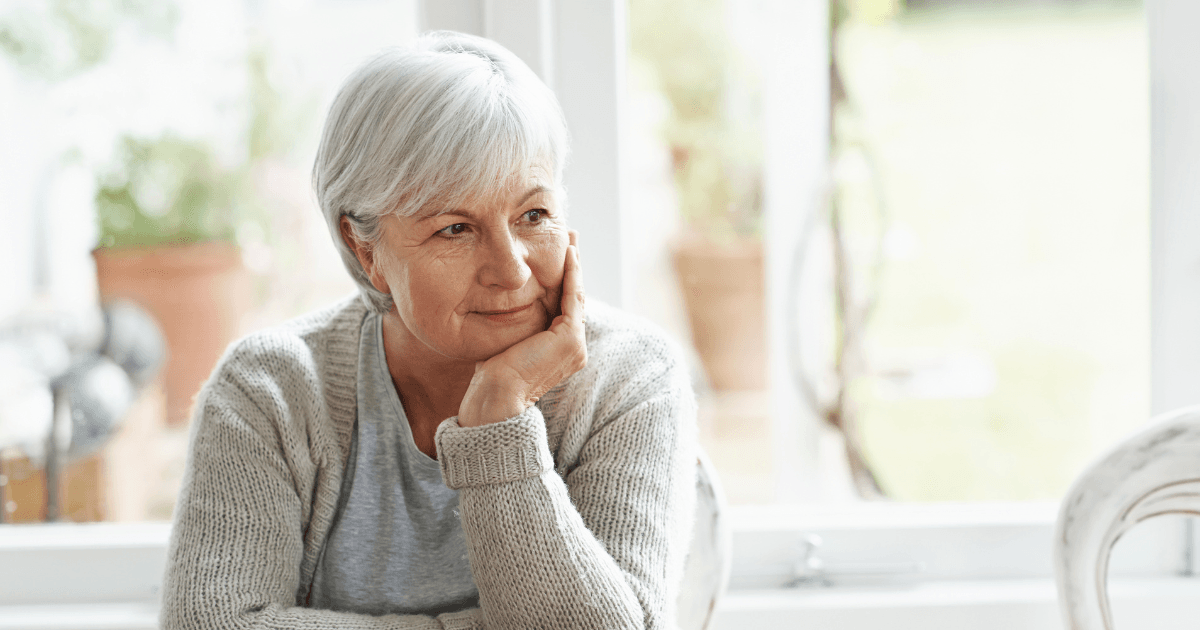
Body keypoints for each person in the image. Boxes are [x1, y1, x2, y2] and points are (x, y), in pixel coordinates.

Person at [160, 31, 698, 629]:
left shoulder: (631, 378)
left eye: (534, 214)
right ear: (365, 250)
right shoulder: (270, 390)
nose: (512, 268)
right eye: (454, 229)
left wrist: (498, 414)